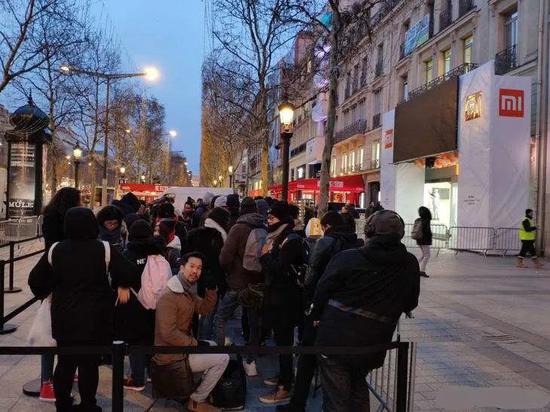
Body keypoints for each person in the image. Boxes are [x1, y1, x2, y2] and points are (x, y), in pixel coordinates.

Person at [29, 207, 139, 412]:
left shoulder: (55, 249)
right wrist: (119, 284)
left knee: (64, 364)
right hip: (96, 318)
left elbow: (35, 281)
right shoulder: (104, 249)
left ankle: (63, 405)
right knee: (89, 365)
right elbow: (130, 272)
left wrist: (51, 289)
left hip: (64, 317)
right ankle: (88, 404)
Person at [310, 210, 420, 411]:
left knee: (336, 399)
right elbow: (410, 302)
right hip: (375, 342)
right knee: (358, 386)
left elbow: (321, 292)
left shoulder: (348, 258)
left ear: (369, 231)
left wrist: (315, 316)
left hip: (336, 340)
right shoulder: (409, 263)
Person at [278, 211, 359, 412]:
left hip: (321, 307)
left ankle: (297, 405)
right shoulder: (356, 244)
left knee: (307, 357)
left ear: (327, 226)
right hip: (343, 311)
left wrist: (309, 304)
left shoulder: (326, 242)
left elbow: (312, 276)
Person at [154, 252, 228, 412]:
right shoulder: (169, 295)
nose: (195, 271)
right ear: (182, 267)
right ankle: (196, 400)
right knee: (223, 358)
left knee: (214, 345)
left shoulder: (187, 289)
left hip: (183, 349)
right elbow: (168, 333)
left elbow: (204, 309)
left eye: (199, 268)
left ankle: (197, 389)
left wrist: (211, 291)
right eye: (192, 266)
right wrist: (194, 343)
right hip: (171, 357)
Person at [259, 201, 306, 405]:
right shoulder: (281, 237)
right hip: (279, 298)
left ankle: (285, 386)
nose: (268, 222)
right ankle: (284, 377)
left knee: (285, 341)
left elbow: (279, 267)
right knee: (281, 341)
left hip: (286, 300)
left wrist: (265, 256)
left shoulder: (291, 240)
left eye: (272, 219)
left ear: (282, 220)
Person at [39, 187, 81, 402]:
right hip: (60, 280)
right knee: (52, 333)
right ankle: (47, 382)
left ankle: (56, 375)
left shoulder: (50, 217)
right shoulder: (65, 220)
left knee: (56, 332)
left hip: (55, 277)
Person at [215, 197, 265, 377]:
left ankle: (217, 359)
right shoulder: (263, 227)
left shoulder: (238, 228)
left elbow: (224, 258)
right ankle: (251, 362)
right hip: (257, 284)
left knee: (220, 318)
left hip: (238, 283)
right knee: (254, 324)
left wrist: (231, 272)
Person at [116, 220, 166, 391]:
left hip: (134, 303)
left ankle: (137, 379)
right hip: (156, 304)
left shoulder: (127, 253)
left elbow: (119, 276)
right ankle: (153, 374)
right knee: (151, 338)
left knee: (135, 340)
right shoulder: (157, 253)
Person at [184, 207, 231, 340]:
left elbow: (185, 257)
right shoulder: (219, 237)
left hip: (192, 280)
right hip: (211, 282)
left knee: (193, 314)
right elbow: (219, 263)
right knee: (208, 314)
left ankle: (195, 341)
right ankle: (204, 344)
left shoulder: (193, 234)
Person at [415, 206, 433, 278]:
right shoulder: (426, 220)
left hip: (419, 240)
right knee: (427, 256)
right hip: (424, 241)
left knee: (423, 255)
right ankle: (422, 271)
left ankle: (415, 266)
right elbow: (426, 232)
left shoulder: (418, 220)